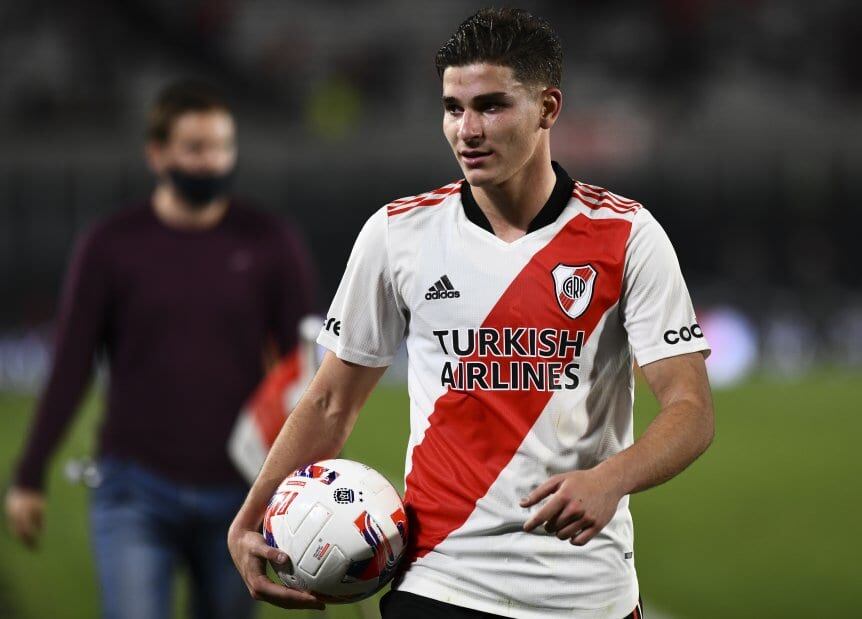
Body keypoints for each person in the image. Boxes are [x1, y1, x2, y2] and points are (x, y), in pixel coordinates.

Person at [228, 8, 714, 619]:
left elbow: (691, 410)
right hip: (440, 583)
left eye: (490, 106)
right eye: (453, 108)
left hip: (586, 594)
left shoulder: (627, 235)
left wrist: (610, 478)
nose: (467, 130)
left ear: (549, 108)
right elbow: (330, 401)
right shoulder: (397, 234)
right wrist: (250, 518)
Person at [4, 80, 315, 619]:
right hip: (134, 488)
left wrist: (308, 482)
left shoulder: (270, 241)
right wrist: (30, 476)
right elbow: (72, 364)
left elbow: (306, 369)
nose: (213, 161)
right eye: (196, 148)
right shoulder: (111, 245)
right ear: (157, 154)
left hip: (240, 496)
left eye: (223, 147)